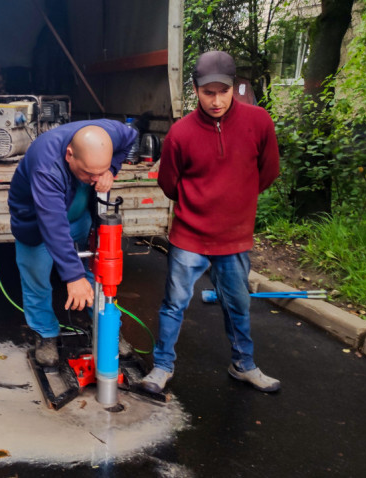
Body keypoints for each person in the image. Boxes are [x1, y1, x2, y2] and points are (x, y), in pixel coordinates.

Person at [141, 51, 281, 393]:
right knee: (174, 304)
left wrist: (238, 201)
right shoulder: (180, 134)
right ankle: (162, 367)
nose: (216, 101)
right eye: (208, 93)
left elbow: (269, 171)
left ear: (235, 87)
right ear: (195, 89)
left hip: (234, 236)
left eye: (223, 91)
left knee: (237, 303)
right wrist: (198, 204)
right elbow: (168, 182)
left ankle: (243, 365)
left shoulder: (259, 121)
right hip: (190, 234)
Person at [8, 120, 138, 366]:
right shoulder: (46, 165)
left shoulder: (113, 132)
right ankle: (45, 333)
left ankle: (106, 329)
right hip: (37, 223)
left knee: (95, 271)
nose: (95, 180)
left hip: (78, 215)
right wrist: (72, 276)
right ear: (69, 155)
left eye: (100, 172)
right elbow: (53, 224)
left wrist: (112, 169)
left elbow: (131, 137)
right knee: (37, 278)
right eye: (90, 173)